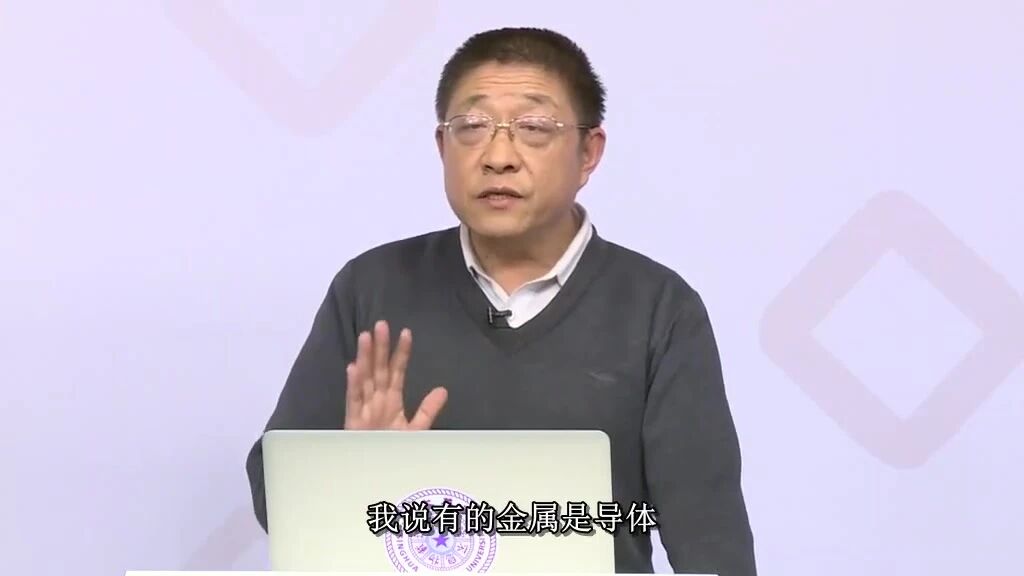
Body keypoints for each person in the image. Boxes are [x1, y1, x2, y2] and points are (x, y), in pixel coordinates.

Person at [245, 27, 757, 575]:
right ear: (442, 147)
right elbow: (277, 494)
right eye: (472, 127)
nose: (498, 157)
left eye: (533, 128)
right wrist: (350, 471)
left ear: (588, 152)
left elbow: (710, 537)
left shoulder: (657, 307)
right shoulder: (372, 287)